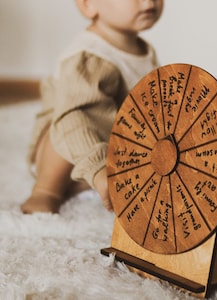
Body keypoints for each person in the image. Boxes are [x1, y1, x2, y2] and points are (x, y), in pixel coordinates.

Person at [21, 0, 164, 214]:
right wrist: (98, 168)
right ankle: (46, 190)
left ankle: (94, 181)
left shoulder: (144, 49)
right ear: (88, 5)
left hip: (112, 139)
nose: (148, 1)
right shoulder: (89, 57)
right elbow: (75, 119)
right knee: (72, 122)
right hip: (69, 146)